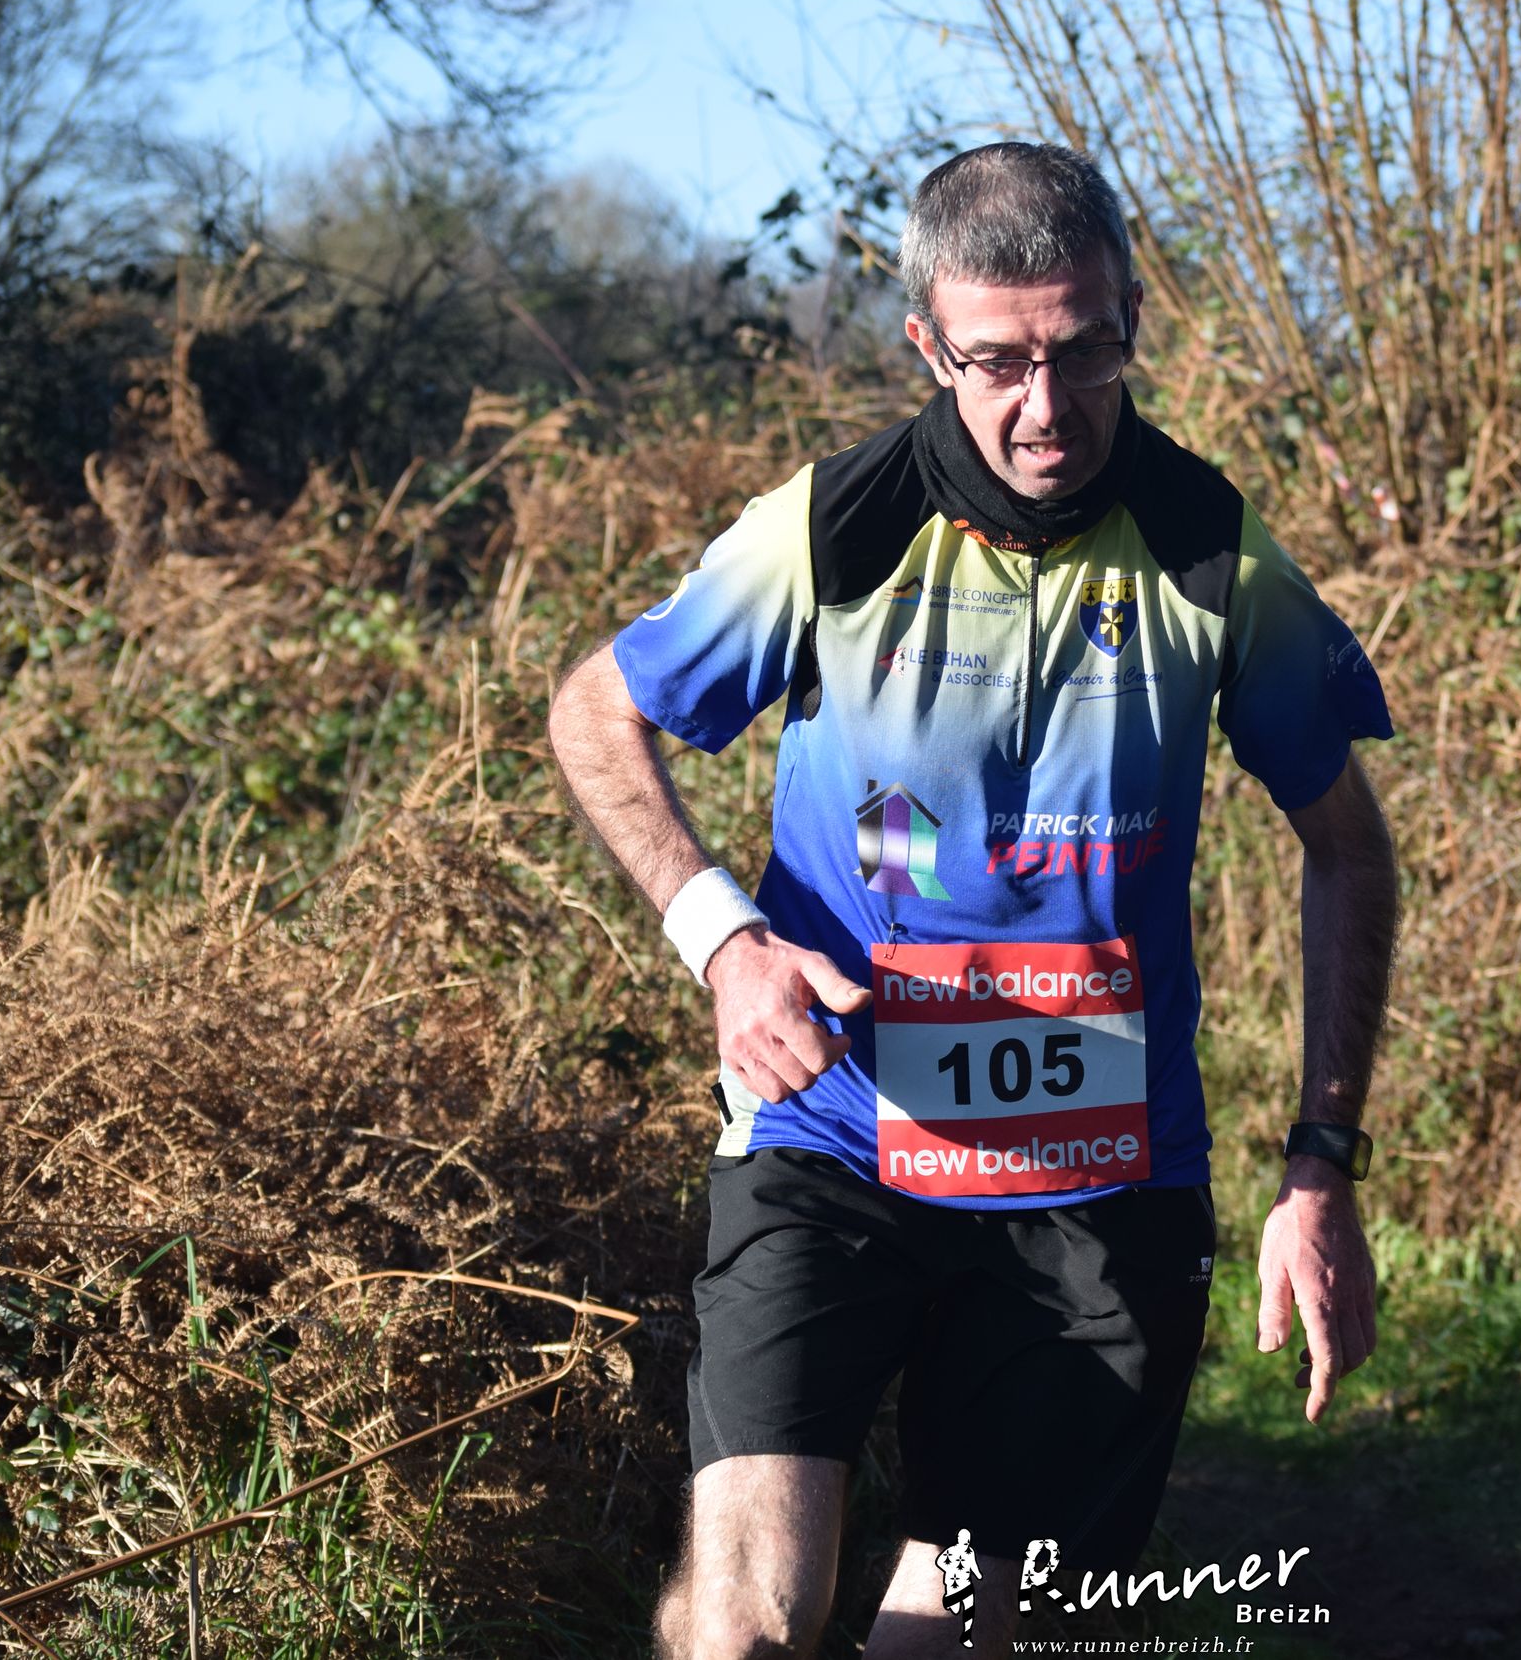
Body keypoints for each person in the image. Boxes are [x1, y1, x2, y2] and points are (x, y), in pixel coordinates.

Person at [548, 141, 1399, 1660]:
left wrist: (1320, 1166)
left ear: (1134, 320)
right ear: (930, 348)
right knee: (745, 1621)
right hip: (832, 1136)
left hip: (1099, 1183)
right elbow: (595, 714)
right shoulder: (831, 530)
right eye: (998, 362)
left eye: (1084, 352)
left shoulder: (1213, 555)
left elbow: (1347, 845)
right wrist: (726, 944)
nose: (1046, 407)